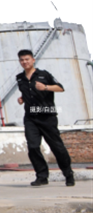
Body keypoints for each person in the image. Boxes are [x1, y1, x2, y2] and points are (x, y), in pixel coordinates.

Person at [15, 49, 75, 187]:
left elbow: (60, 88)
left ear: (33, 60)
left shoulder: (44, 74)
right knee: (33, 147)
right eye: (22, 60)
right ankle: (42, 176)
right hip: (30, 118)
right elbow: (28, 92)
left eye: (27, 59)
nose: (25, 62)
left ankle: (68, 174)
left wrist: (46, 87)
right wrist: (23, 99)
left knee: (57, 147)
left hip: (47, 116)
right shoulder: (19, 77)